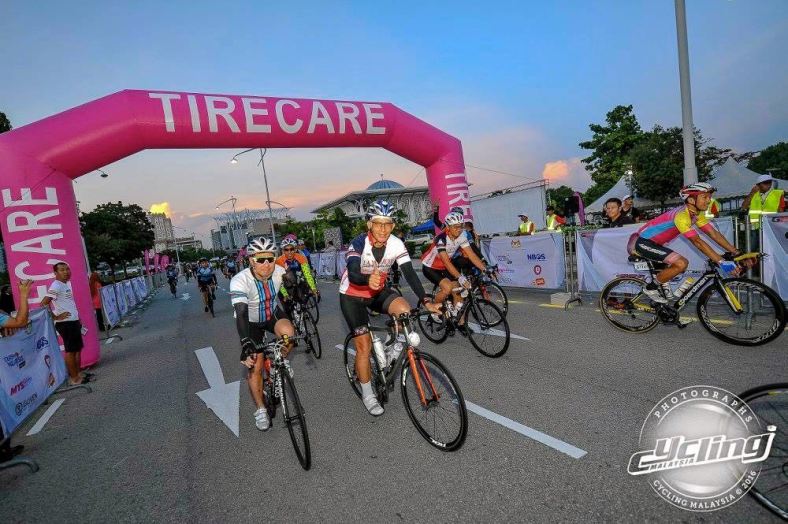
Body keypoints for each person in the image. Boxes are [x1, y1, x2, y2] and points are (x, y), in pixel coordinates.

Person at [339, 200, 441, 416]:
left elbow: (409, 273)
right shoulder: (358, 243)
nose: (383, 229)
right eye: (378, 223)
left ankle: (392, 348)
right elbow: (354, 272)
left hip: (377, 293)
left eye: (387, 223)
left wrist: (426, 300)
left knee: (405, 311)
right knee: (363, 346)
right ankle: (368, 394)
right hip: (352, 296)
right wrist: (367, 279)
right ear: (369, 224)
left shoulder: (396, 243)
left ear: (393, 226)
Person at [627, 183, 750, 303]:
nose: (709, 201)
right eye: (705, 197)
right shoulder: (681, 216)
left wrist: (736, 252)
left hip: (657, 244)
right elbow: (697, 241)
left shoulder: (696, 214)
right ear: (691, 200)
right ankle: (650, 288)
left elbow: (713, 234)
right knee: (681, 263)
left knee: (675, 269)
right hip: (644, 243)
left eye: (709, 197)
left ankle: (664, 299)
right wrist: (721, 262)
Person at [231, 237, 296, 431]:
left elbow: (290, 293)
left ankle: (278, 364)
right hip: (250, 322)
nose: (266, 264)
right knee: (256, 365)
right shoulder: (240, 280)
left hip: (271, 315)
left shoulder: (279, 271)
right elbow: (241, 313)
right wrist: (245, 342)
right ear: (251, 260)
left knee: (289, 334)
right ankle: (260, 409)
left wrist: (293, 283)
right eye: (260, 259)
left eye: (270, 258)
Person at [422, 211, 488, 324]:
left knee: (457, 292)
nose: (459, 229)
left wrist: (485, 269)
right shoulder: (441, 239)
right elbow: (446, 262)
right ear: (448, 227)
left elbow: (471, 255)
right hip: (431, 267)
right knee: (447, 288)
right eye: (455, 227)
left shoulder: (462, 236)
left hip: (445, 266)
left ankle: (460, 323)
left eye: (461, 226)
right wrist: (460, 277)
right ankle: (434, 310)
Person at [39, 263, 91, 385]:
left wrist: (77, 318)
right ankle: (74, 379)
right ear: (55, 273)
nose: (66, 272)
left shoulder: (64, 284)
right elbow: (44, 303)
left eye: (67, 269)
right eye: (62, 270)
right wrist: (55, 317)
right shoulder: (56, 285)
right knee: (71, 351)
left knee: (77, 349)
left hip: (73, 321)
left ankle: (78, 374)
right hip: (66, 323)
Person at [276, 236, 319, 311]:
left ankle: (303, 308)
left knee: (307, 279)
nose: (289, 252)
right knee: (287, 309)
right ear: (283, 251)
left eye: (292, 249)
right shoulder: (279, 261)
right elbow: (279, 280)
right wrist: (285, 294)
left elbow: (307, 274)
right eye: (286, 250)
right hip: (284, 284)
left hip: (297, 281)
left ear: (295, 249)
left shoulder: (301, 258)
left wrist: (313, 288)